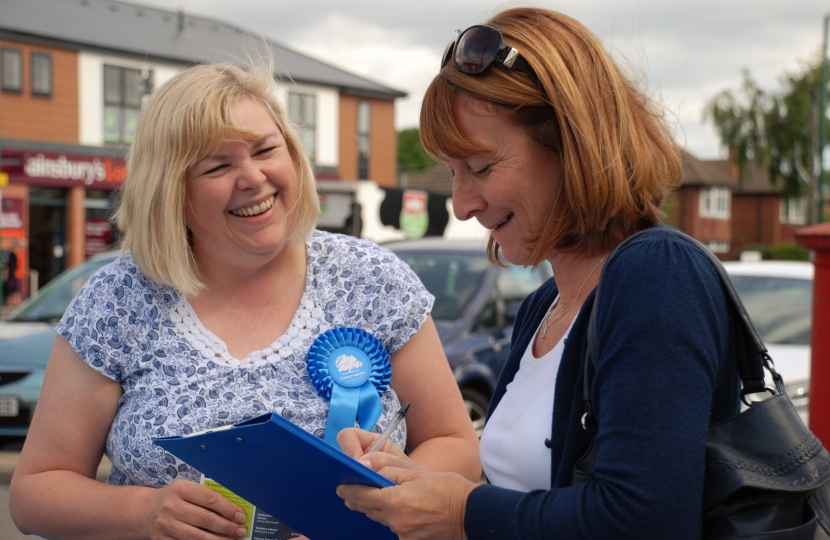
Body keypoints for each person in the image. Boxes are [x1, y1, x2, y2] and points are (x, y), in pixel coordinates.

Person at [9, 62, 480, 539]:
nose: (253, 177)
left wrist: (389, 497)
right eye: (218, 166)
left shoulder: (371, 278)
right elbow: (35, 493)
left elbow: (454, 443)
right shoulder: (117, 301)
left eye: (266, 150)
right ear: (172, 192)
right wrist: (144, 511)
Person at [337, 8, 740, 539]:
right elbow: (531, 497)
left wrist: (464, 512)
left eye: (480, 168)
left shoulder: (655, 277)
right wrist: (414, 486)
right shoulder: (544, 305)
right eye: (453, 173)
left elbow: (646, 521)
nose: (461, 205)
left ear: (571, 144)